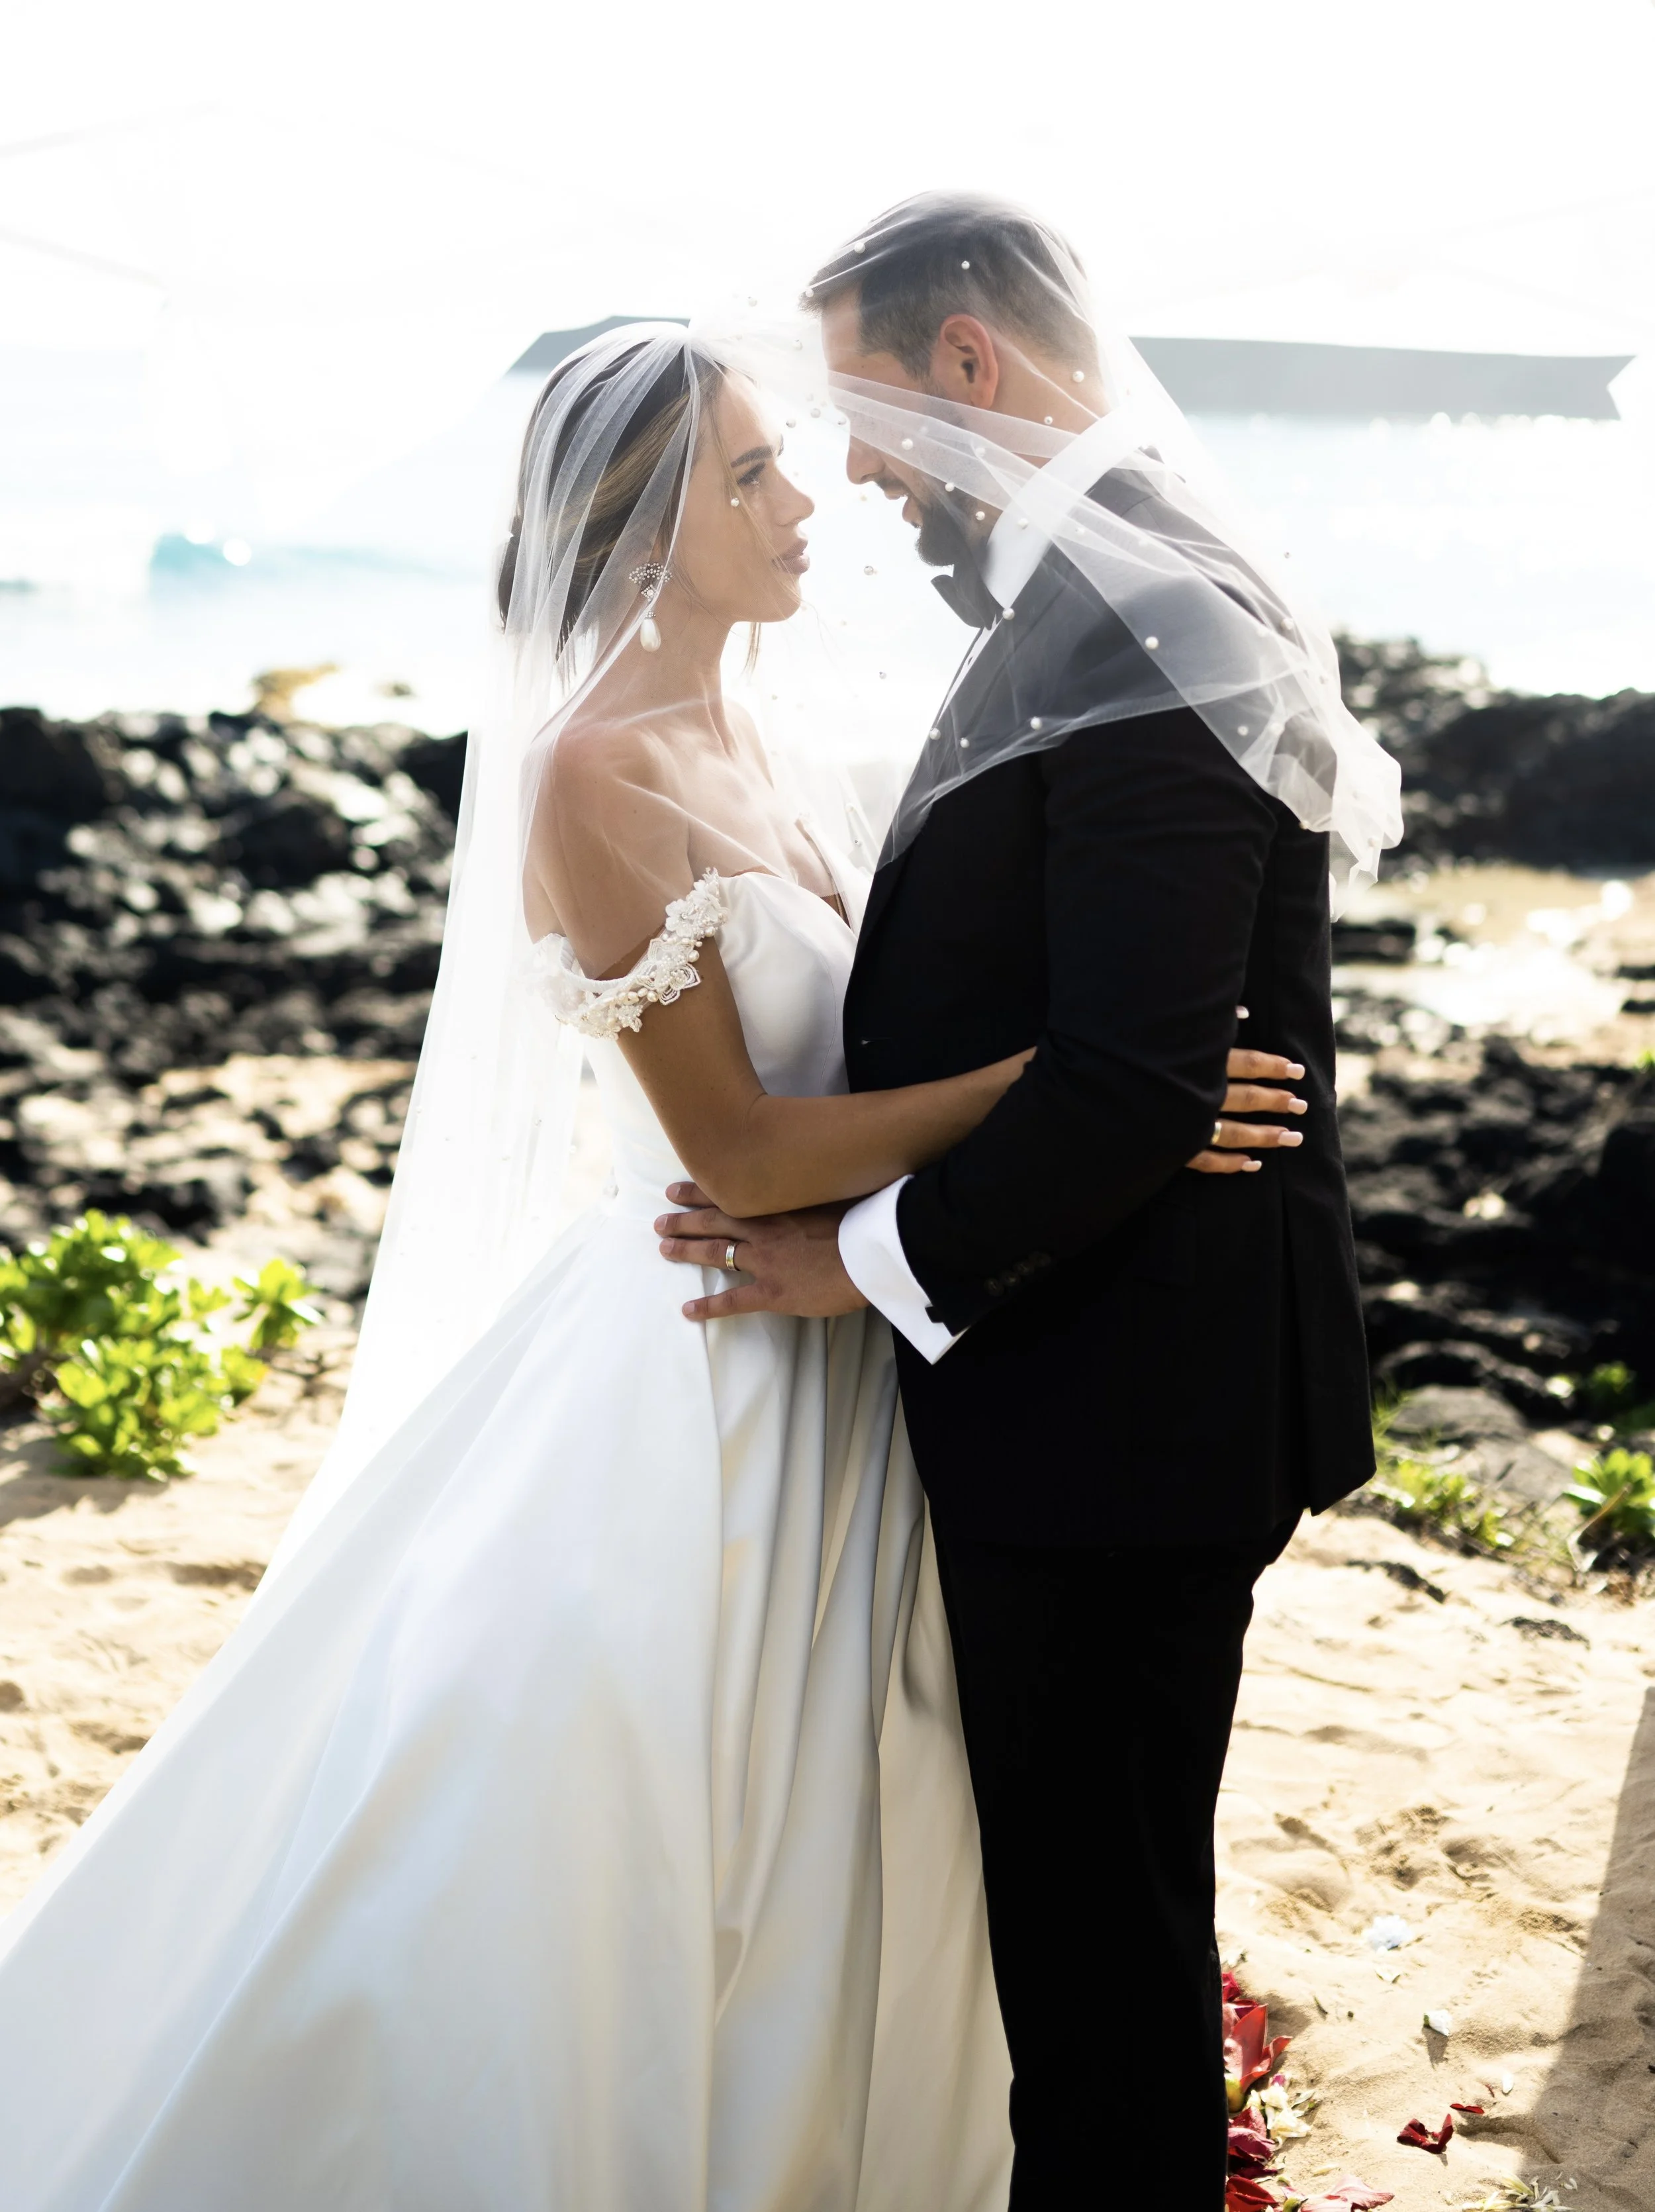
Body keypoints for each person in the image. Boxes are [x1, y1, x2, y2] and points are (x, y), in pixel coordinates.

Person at [0, 322, 1300, 2209]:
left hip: (842, 1331)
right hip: (700, 1342)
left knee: (841, 1819)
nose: (808, 504)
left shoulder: (753, 733)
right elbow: (741, 1147)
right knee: (635, 1813)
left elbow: (867, 1052)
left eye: (791, 460)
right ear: (639, 518)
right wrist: (1082, 1086)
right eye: (752, 475)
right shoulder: (590, 770)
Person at [657, 194, 1403, 2207]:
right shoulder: (1099, 579)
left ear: (968, 364)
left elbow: (1141, 1078)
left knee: (1095, 1971)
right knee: (1090, 1939)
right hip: (1099, 1380)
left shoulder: (1144, 605)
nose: (862, 470)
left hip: (1119, 1415)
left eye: (867, 413)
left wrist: (850, 1260)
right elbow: (1121, 1049)